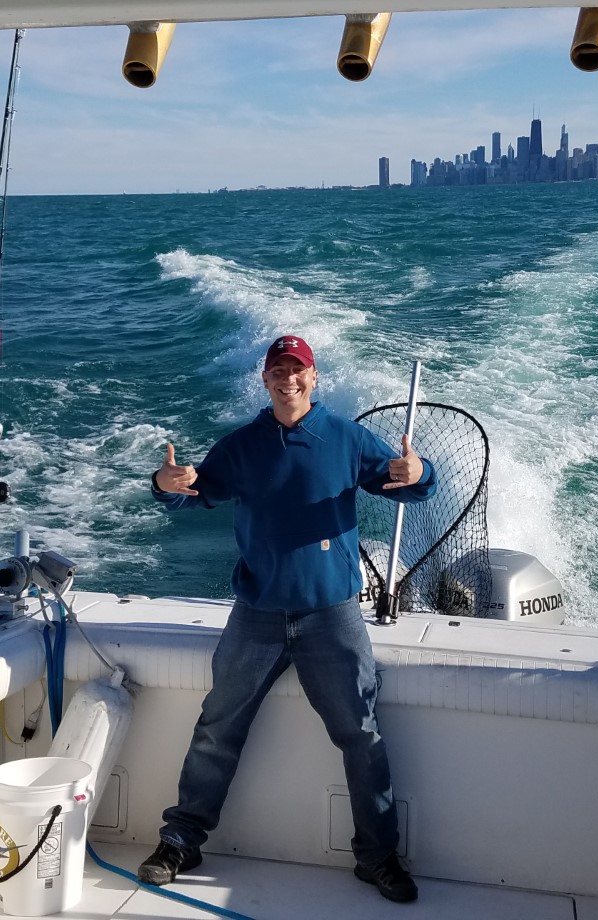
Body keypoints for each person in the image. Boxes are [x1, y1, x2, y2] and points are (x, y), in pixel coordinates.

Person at [138, 334, 437, 904]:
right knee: (217, 729)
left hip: (334, 616)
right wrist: (164, 484)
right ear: (265, 379)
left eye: (298, 370)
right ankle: (180, 840)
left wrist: (417, 471)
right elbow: (189, 495)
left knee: (361, 735)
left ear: (314, 376)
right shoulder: (241, 446)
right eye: (278, 370)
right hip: (257, 615)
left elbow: (411, 487)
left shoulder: (346, 438)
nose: (289, 379)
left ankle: (377, 856)